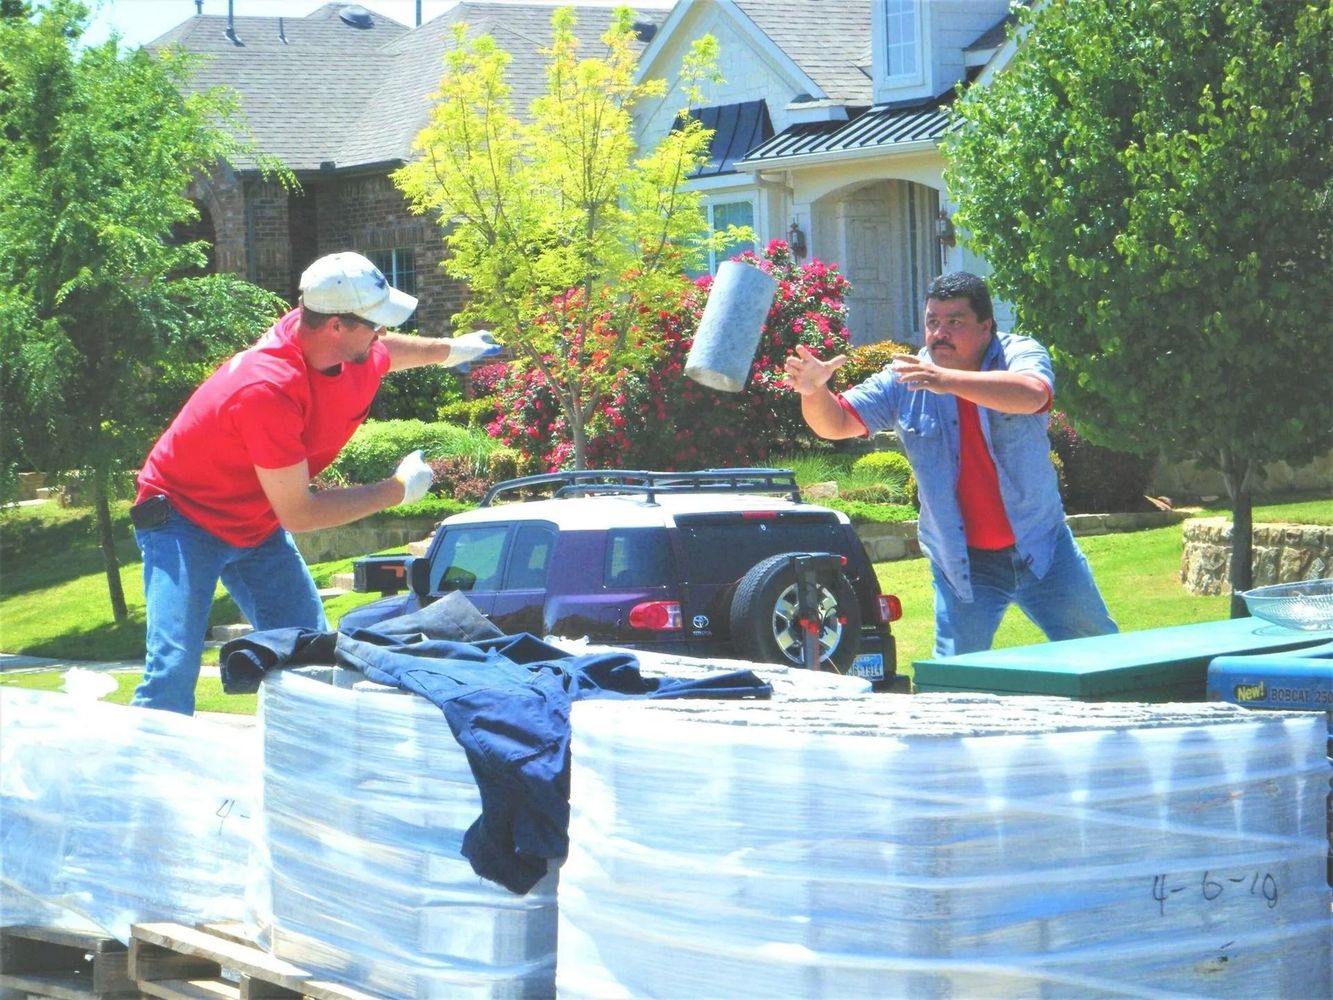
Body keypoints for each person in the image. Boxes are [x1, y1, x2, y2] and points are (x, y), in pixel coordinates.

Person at [130, 251, 501, 714]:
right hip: (183, 521)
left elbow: (389, 352)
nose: (382, 331)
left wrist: (453, 349)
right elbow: (300, 513)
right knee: (173, 667)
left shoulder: (339, 345)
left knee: (312, 653)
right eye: (374, 322)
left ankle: (304, 769)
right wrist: (397, 490)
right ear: (336, 327)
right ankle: (141, 780)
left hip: (255, 521)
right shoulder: (266, 388)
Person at [784, 271, 1116, 657]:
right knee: (955, 680)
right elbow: (836, 423)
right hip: (962, 563)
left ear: (986, 327)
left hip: (1042, 547)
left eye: (954, 322)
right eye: (932, 322)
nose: (939, 332)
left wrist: (947, 381)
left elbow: (1033, 395)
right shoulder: (905, 377)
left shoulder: (1018, 353)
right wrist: (813, 391)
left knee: (1101, 656)